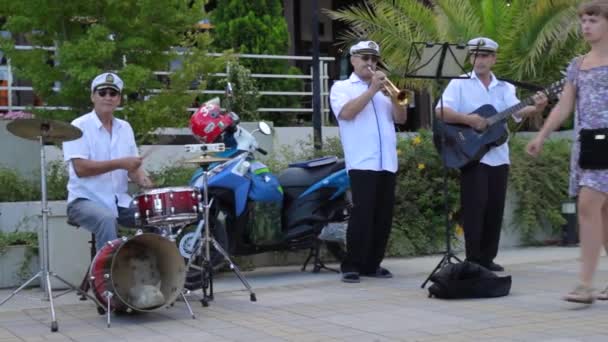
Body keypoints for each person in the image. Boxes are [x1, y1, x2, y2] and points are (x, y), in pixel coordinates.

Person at [436, 37, 548, 272]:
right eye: (476, 55)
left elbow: (518, 110)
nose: (480, 60)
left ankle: (487, 258)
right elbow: (441, 111)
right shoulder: (459, 83)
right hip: (471, 153)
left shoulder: (505, 87)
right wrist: (469, 119)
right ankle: (473, 259)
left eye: (485, 55)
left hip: (498, 155)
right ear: (470, 57)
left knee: (494, 208)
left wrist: (536, 107)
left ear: (494, 59)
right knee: (475, 208)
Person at [526, 0, 608, 304]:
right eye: (584, 20)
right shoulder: (578, 64)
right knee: (602, 213)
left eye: (593, 20)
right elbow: (564, 105)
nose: (586, 26)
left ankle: (585, 284)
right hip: (587, 145)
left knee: (587, 205)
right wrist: (542, 135)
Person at [330, 40, 408, 283]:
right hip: (363, 160)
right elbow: (347, 113)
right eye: (365, 58)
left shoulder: (385, 92)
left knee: (383, 215)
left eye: (374, 59)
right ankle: (351, 265)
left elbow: (401, 118)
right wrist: (372, 90)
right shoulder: (342, 87)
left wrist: (395, 98)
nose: (370, 63)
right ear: (353, 60)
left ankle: (373, 264)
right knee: (362, 215)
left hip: (387, 162)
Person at [64, 72, 153, 252]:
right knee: (106, 220)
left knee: (154, 215)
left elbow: (132, 169)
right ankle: (106, 277)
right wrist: (121, 163)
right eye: (102, 92)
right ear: (92, 96)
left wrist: (143, 179)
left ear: (119, 99)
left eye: (113, 93)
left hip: (119, 200)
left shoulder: (125, 128)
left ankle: (152, 268)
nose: (107, 97)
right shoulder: (78, 126)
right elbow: (81, 169)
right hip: (84, 200)